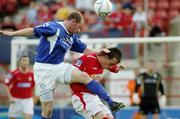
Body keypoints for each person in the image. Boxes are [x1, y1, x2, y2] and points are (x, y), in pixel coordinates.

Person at [0, 11, 122, 119]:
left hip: (59, 67)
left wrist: (99, 52)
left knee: (84, 76)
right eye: (79, 27)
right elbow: (32, 30)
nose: (79, 30)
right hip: (43, 70)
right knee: (47, 110)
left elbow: (85, 50)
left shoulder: (71, 36)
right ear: (73, 22)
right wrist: (12, 34)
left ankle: (110, 102)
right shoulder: (54, 27)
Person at [70, 47, 125, 119]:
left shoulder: (103, 63)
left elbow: (110, 67)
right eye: (111, 64)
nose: (110, 66)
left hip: (94, 97)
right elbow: (71, 75)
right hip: (82, 95)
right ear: (105, 57)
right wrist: (88, 77)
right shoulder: (87, 59)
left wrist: (116, 69)